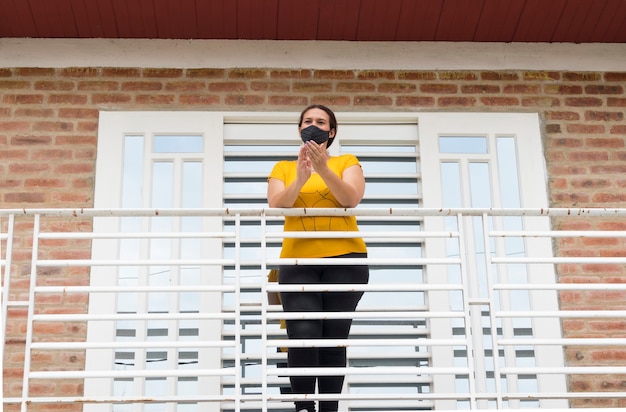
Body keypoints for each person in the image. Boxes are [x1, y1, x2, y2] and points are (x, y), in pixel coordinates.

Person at [267, 104, 369, 412]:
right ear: (299, 129)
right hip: (297, 262)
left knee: (333, 336)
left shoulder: (346, 162)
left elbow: (350, 199)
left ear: (331, 131)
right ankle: (303, 407)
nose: (314, 126)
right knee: (304, 333)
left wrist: (323, 168)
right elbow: (278, 203)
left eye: (321, 122)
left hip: (346, 259)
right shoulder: (283, 167)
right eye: (308, 121)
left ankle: (328, 409)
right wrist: (300, 177)